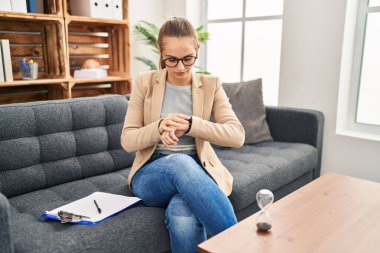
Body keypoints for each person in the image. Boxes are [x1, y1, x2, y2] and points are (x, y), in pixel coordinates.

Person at [121, 17, 245, 253]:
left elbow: (236, 135)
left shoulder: (211, 85)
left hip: (197, 174)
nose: (180, 67)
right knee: (180, 162)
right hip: (150, 175)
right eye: (171, 60)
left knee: (184, 214)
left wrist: (191, 125)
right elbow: (127, 140)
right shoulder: (145, 83)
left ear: (197, 49)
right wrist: (158, 128)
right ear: (161, 53)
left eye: (188, 58)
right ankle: (238, 247)